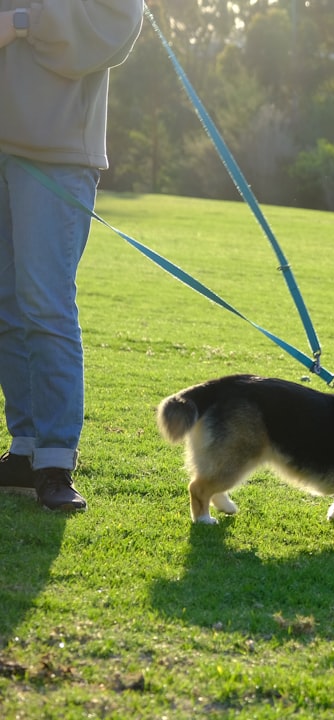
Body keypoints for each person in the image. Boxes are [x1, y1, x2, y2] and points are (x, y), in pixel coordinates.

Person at [0, 1, 143, 511]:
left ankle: (55, 459)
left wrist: (21, 23)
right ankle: (26, 449)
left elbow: (119, 23)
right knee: (6, 305)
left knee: (44, 302)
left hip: (55, 153)